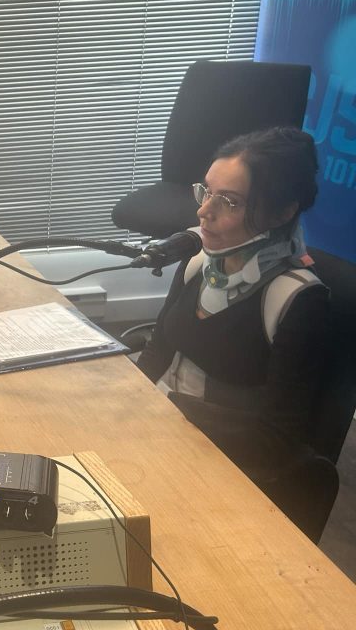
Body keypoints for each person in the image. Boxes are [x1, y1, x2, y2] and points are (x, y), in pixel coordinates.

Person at [137, 126, 330, 489]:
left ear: (282, 213)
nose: (203, 211)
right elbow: (156, 353)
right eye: (207, 191)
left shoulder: (296, 301)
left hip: (218, 467)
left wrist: (167, 420)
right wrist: (126, 407)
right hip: (157, 433)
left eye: (229, 202)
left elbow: (276, 440)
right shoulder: (199, 261)